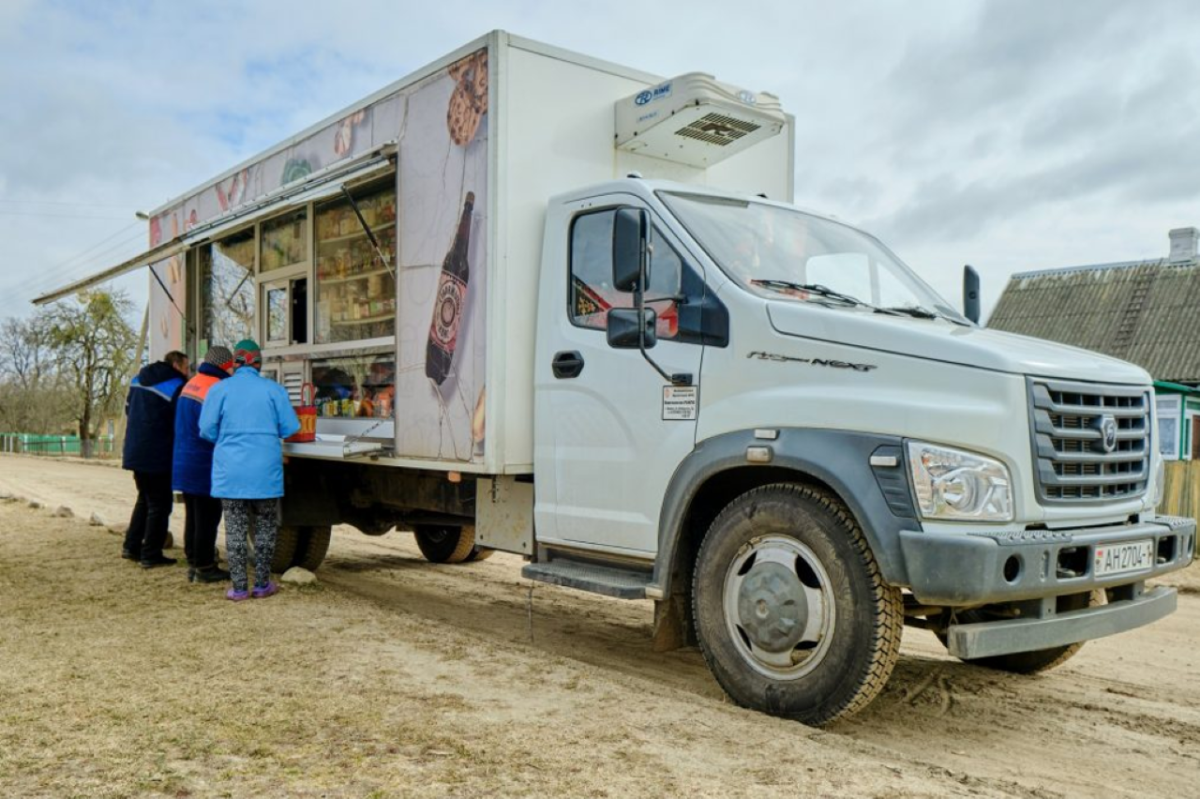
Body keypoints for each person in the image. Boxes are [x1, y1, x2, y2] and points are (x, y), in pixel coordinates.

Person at [199, 339, 300, 601]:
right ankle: (263, 585)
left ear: (235, 362)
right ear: (259, 362)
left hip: (230, 472)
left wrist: (229, 438)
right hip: (265, 471)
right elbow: (290, 428)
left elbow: (206, 429)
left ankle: (239, 588)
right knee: (266, 527)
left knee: (234, 528)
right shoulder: (274, 390)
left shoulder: (220, 390)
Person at [172, 345, 235, 583]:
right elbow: (217, 427)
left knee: (194, 516)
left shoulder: (192, 382)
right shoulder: (215, 387)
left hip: (184, 459)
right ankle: (205, 567)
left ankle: (194, 562)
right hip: (204, 462)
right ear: (225, 365)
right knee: (208, 517)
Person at [121, 350, 189, 568]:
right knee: (160, 504)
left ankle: (131, 546)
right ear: (177, 365)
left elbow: (128, 410)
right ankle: (151, 553)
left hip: (135, 450)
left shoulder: (138, 379)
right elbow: (180, 420)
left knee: (145, 499)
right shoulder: (176, 385)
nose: (188, 372)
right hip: (158, 452)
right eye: (187, 367)